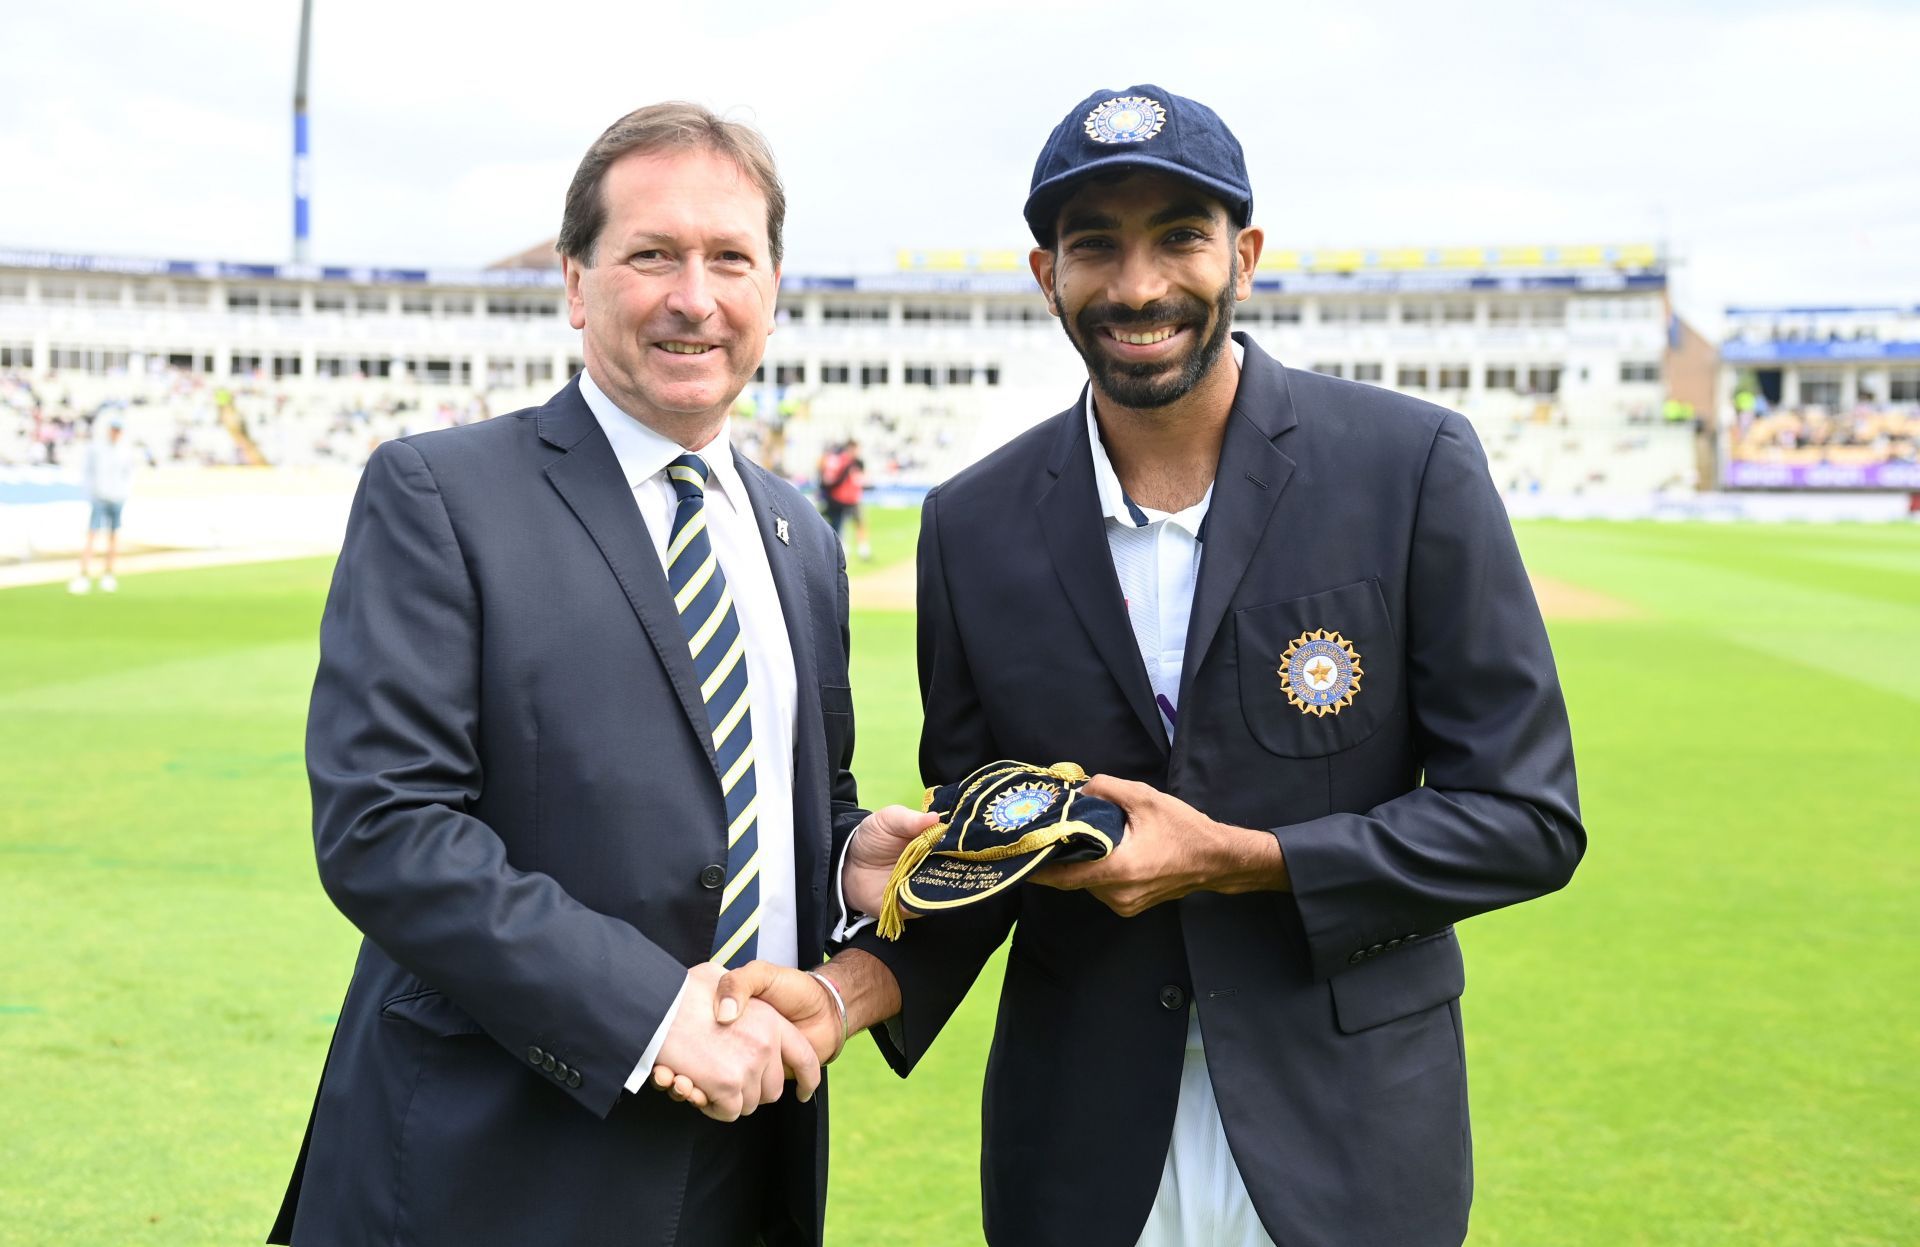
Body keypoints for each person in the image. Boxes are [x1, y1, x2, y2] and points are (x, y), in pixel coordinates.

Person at [684, 85, 1584, 1246]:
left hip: (1348, 1126)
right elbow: (984, 848)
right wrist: (844, 990)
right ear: (1044, 272)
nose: (1140, 284)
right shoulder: (974, 523)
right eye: (1094, 244)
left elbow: (1524, 817)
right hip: (1081, 1137)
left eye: (1180, 236)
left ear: (1244, 254)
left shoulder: (1409, 467)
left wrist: (1239, 862)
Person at [268, 103, 931, 1247]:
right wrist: (652, 1012)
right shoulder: (441, 492)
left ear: (774, 286)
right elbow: (386, 825)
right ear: (577, 284)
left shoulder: (797, 534)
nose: (695, 295)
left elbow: (736, 796)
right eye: (652, 255)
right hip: (499, 1168)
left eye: (730, 257)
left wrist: (839, 853)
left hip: (749, 1151)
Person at [69, 415, 136, 594]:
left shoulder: (125, 451)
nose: (115, 433)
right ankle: (83, 575)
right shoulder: (96, 449)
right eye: (113, 429)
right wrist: (91, 494)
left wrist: (124, 494)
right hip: (99, 497)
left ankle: (108, 574)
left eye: (118, 429)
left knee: (113, 536)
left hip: (117, 498)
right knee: (92, 535)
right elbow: (88, 472)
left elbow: (129, 474)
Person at [816, 437, 869, 559]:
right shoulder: (842, 461)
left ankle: (862, 549)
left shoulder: (856, 462)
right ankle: (841, 549)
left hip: (853, 498)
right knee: (839, 525)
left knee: (858, 523)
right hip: (840, 499)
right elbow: (830, 479)